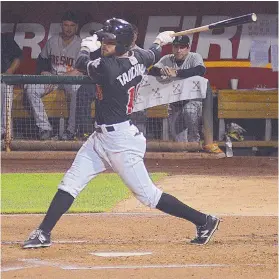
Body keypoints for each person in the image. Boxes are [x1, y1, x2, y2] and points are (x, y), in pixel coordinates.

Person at [23, 18, 220, 249]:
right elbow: (153, 54)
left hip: (121, 142)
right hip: (100, 139)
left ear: (123, 44)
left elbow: (80, 61)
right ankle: (43, 232)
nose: (105, 44)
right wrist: (160, 42)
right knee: (70, 182)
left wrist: (87, 46)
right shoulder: (139, 58)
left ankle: (204, 221)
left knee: (149, 196)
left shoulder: (108, 67)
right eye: (104, 39)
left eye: (109, 41)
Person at [25, 11, 82, 140]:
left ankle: (71, 130)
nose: (68, 28)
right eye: (66, 25)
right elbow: (42, 61)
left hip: (71, 81)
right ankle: (44, 128)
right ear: (62, 26)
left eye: (72, 25)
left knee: (76, 90)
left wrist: (65, 76)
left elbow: (83, 69)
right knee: (31, 89)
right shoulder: (52, 41)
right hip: (53, 79)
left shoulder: (81, 44)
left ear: (76, 27)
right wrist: (44, 72)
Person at [1, 33, 22, 139]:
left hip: (3, 79)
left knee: (4, 88)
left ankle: (5, 132)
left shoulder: (4, 39)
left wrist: (9, 71)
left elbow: (17, 57)